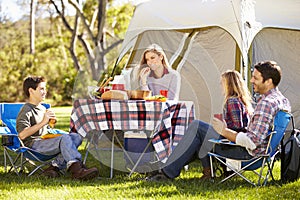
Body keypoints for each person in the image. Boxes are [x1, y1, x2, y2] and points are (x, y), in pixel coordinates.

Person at [146, 61, 291, 181]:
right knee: (198, 135)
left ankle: (165, 171)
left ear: (269, 81)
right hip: (259, 153)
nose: (251, 80)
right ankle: (165, 168)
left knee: (196, 127)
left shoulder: (266, 103)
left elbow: (251, 142)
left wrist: (224, 130)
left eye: (256, 78)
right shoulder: (281, 100)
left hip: (246, 155)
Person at [16, 76, 99, 180]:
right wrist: (43, 122)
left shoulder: (42, 108)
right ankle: (77, 170)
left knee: (75, 137)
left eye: (45, 89)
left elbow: (45, 129)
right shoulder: (26, 110)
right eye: (41, 89)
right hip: (33, 146)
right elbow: (22, 135)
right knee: (65, 139)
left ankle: (54, 167)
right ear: (31, 91)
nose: (45, 92)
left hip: (44, 141)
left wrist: (50, 123)